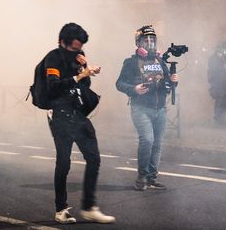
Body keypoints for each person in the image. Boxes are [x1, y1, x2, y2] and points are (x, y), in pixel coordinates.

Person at [44, 23, 115, 224]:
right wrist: (80, 74)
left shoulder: (79, 56)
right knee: (64, 162)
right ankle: (61, 209)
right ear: (62, 42)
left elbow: (84, 85)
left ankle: (89, 207)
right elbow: (53, 88)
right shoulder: (53, 58)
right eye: (74, 47)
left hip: (79, 115)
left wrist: (86, 68)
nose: (78, 50)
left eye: (80, 47)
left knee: (94, 158)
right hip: (60, 115)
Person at [116, 25, 178, 191]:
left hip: (160, 109)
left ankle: (151, 177)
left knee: (157, 144)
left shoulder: (160, 61)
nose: (150, 43)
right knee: (147, 140)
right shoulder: (131, 62)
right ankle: (141, 177)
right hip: (140, 108)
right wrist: (133, 89)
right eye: (146, 40)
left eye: (152, 40)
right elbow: (119, 83)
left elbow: (168, 83)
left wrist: (173, 80)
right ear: (138, 43)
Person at [208, 41, 226, 125]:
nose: (225, 52)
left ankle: (222, 118)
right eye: (224, 50)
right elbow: (214, 70)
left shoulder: (223, 58)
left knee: (224, 100)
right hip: (217, 82)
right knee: (220, 100)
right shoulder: (213, 59)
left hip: (224, 82)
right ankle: (218, 118)